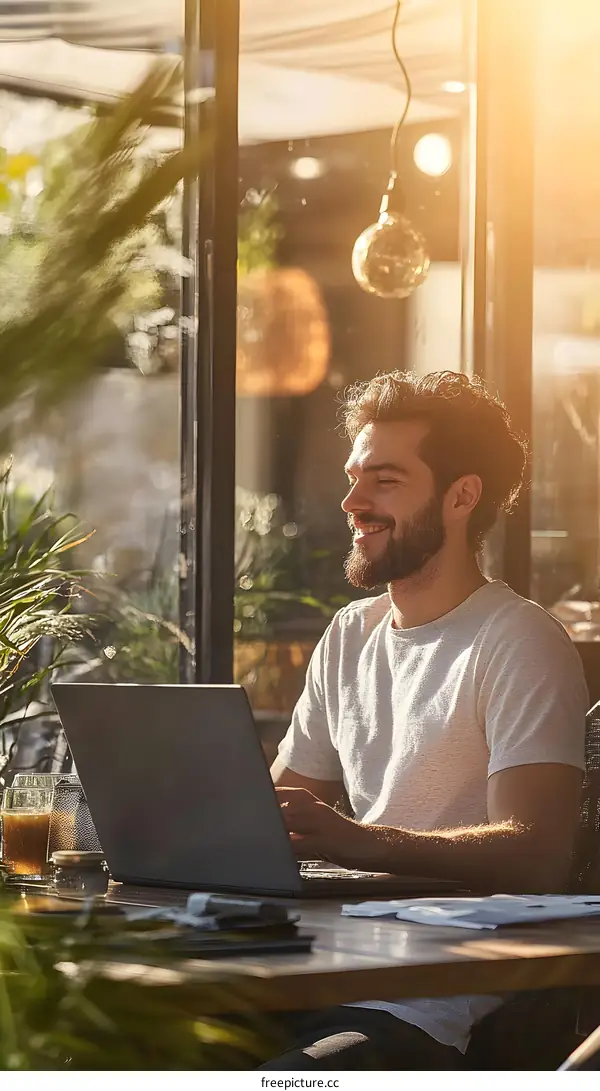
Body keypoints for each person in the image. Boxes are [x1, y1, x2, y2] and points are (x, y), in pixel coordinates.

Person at [260, 370, 588, 1071]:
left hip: (425, 1003)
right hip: (308, 969)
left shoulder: (518, 639)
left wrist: (359, 841)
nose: (352, 502)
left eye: (385, 479)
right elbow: (271, 813)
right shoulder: (350, 632)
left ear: (461, 495)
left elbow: (537, 851)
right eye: (353, 477)